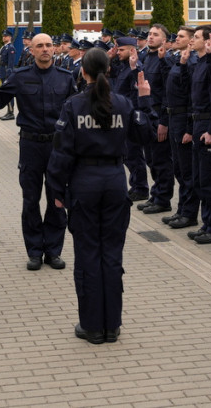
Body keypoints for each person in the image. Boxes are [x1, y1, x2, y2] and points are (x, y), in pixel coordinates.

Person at [46, 49, 154, 344]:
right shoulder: (122, 102)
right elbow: (147, 136)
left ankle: (92, 326)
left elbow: (61, 154)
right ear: (107, 69)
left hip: (84, 185)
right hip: (115, 184)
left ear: (84, 72)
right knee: (111, 254)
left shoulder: (74, 105)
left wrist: (56, 191)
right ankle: (112, 325)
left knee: (88, 256)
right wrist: (145, 100)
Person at [0, 33, 77, 270]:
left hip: (57, 147)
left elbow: (76, 114)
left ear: (54, 50)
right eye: (39, 46)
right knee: (31, 200)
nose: (45, 49)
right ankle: (35, 251)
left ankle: (53, 252)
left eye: (48, 45)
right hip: (31, 146)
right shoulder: (20, 77)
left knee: (57, 200)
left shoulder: (66, 78)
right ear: (31, 51)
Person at [183, 25, 211, 245]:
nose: (193, 40)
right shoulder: (198, 63)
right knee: (200, 181)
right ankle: (207, 224)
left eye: (197, 37)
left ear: (209, 41)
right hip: (198, 124)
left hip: (209, 126)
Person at [136, 24, 175, 215]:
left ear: (164, 40)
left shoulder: (165, 60)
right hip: (146, 113)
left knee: (162, 160)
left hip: (159, 114)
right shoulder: (146, 58)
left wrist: (164, 122)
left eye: (155, 35)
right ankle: (155, 194)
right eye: (150, 34)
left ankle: (163, 199)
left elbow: (169, 94)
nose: (150, 37)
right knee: (151, 158)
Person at [164, 27, 199, 230]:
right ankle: (181, 210)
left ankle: (189, 213)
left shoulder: (192, 62)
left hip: (183, 119)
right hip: (173, 118)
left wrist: (189, 127)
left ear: (191, 40)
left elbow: (191, 97)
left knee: (187, 172)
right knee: (179, 169)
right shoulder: (181, 59)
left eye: (181, 36)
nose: (176, 39)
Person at [112, 36, 149, 202]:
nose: (118, 52)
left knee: (134, 155)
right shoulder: (123, 67)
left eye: (121, 50)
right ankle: (135, 185)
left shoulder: (136, 68)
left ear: (132, 50)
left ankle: (141, 188)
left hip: (131, 117)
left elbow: (136, 94)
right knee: (128, 155)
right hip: (123, 116)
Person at [0, 28, 17, 120]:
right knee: (5, 92)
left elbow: (11, 62)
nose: (4, 38)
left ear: (10, 37)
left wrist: (9, 74)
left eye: (5, 36)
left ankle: (11, 112)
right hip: (2, 71)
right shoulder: (4, 47)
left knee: (8, 92)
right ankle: (8, 111)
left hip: (6, 72)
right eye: (3, 36)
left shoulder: (11, 48)